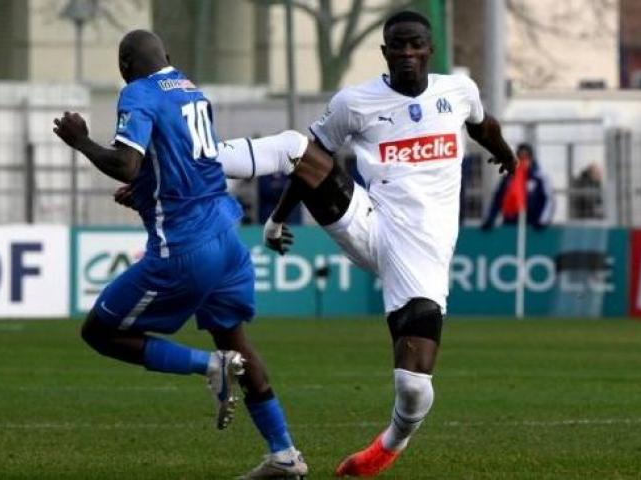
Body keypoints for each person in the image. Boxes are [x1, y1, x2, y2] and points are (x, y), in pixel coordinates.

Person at [217, 11, 515, 477]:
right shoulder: (354, 102)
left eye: (416, 44)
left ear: (429, 49)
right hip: (371, 221)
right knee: (297, 145)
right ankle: (198, 161)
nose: (408, 54)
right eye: (398, 46)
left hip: (423, 250)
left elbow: (483, 125)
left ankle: (388, 446)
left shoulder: (458, 91)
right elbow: (313, 157)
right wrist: (276, 218)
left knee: (413, 386)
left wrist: (505, 153)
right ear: (385, 52)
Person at [53, 30, 307, 479]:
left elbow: (124, 162)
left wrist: (81, 141)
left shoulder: (138, 92)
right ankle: (284, 452)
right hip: (227, 241)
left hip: (185, 249)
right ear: (167, 57)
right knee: (236, 341)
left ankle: (210, 368)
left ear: (125, 66)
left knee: (99, 332)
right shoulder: (192, 89)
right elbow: (189, 165)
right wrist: (146, 192)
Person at [481, 143, 554, 229]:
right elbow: (497, 199)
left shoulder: (539, 178)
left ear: (531, 158)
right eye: (520, 157)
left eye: (526, 157)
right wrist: (490, 219)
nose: (523, 160)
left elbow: (548, 200)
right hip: (510, 224)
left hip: (532, 226)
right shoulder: (508, 178)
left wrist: (542, 221)